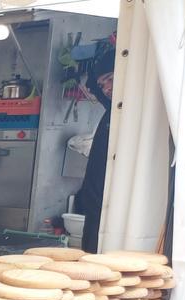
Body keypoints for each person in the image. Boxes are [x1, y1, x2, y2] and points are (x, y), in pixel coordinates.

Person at [76, 48, 116, 253]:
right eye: (102, 85)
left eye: (110, 79)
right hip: (94, 210)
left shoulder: (136, 112)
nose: (106, 88)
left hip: (110, 212)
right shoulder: (111, 111)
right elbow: (93, 86)